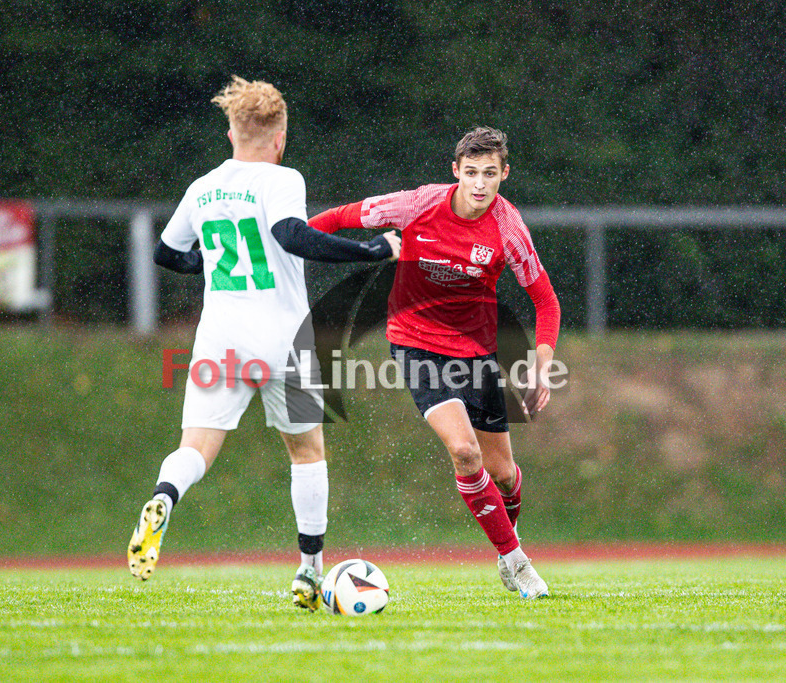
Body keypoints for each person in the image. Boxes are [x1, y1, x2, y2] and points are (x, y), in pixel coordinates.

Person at [127, 76, 400, 612]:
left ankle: (163, 498)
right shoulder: (282, 178)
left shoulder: (203, 187)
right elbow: (291, 235)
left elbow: (166, 253)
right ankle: (308, 572)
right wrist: (369, 251)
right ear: (280, 137)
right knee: (306, 451)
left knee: (195, 448)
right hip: (283, 339)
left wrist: (208, 262)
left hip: (221, 339)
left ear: (231, 133)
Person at [308, 126, 561, 598]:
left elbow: (545, 301)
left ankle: (507, 544)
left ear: (505, 173)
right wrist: (293, 244)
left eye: (490, 173)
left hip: (476, 355)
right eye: (471, 173)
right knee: (465, 452)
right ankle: (518, 562)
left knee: (504, 475)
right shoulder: (418, 204)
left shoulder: (508, 228)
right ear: (455, 171)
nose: (480, 184)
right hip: (416, 345)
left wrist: (542, 364)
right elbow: (341, 217)